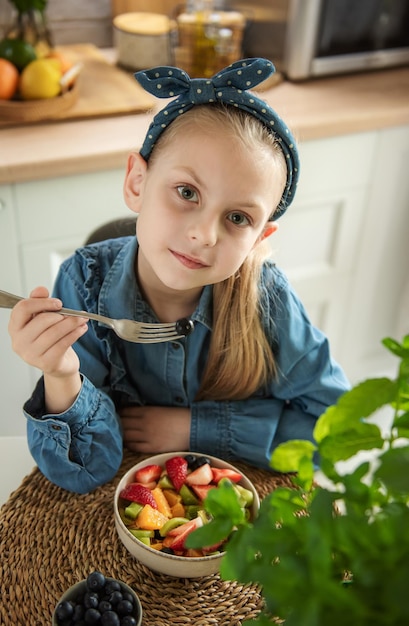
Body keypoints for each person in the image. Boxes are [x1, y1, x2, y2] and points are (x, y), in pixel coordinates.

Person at [8, 58, 350, 494]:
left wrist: (198, 428)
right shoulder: (83, 283)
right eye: (187, 193)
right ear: (137, 182)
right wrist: (60, 375)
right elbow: (88, 472)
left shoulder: (269, 300)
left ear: (259, 237)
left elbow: (338, 429)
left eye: (237, 217)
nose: (203, 235)